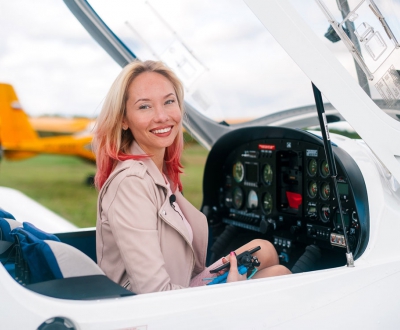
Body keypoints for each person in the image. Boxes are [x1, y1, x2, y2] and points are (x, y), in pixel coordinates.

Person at [94, 60, 291, 294]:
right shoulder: (131, 183)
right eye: (145, 107)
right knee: (281, 276)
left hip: (182, 283)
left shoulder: (158, 172)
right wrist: (226, 293)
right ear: (124, 120)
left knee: (265, 248)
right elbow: (154, 292)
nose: (162, 116)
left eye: (169, 101)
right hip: (152, 308)